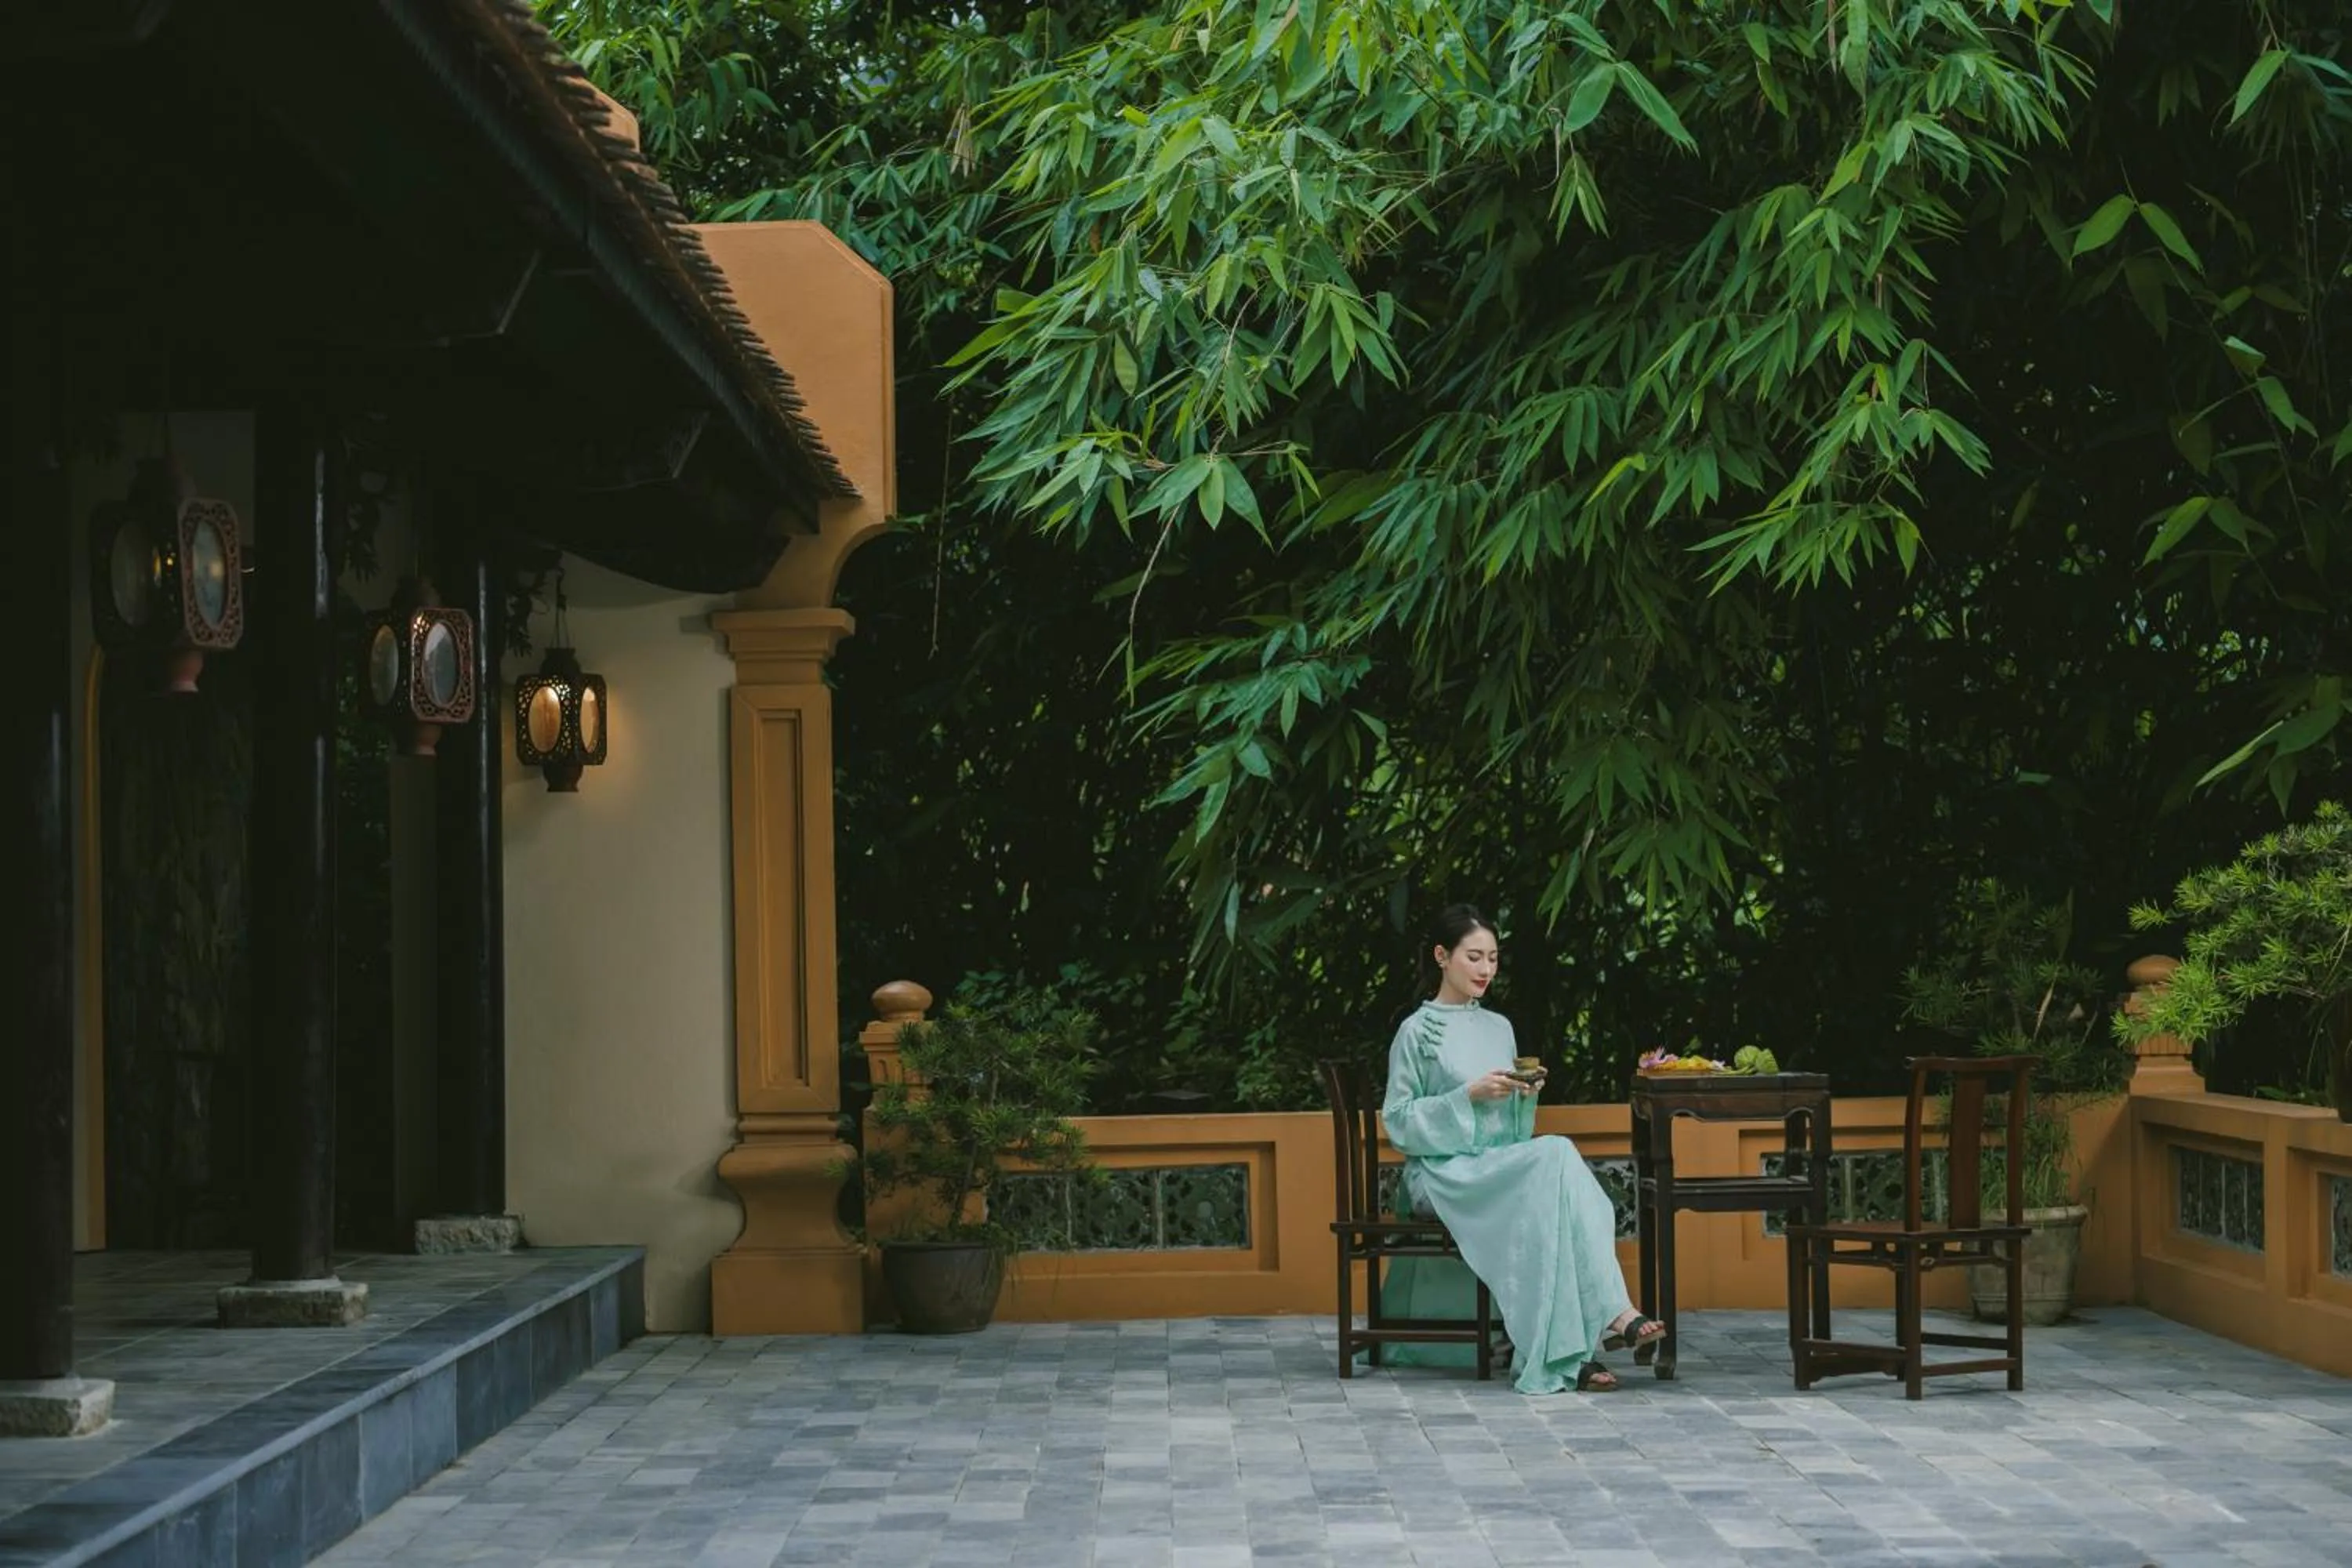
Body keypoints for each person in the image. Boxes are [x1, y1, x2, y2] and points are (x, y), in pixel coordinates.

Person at [1377, 903, 1662, 1393]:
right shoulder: (1416, 1032)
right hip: (1442, 1175)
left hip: (1495, 1166)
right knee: (1556, 1156)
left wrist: (1520, 1096)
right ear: (1442, 956)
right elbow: (1399, 1122)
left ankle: (1573, 1352)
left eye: (1492, 957)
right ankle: (1613, 1314)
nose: (1486, 969)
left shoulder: (1499, 1027)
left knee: (1555, 1186)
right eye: (1474, 957)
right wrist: (1466, 1096)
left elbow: (1510, 1134)